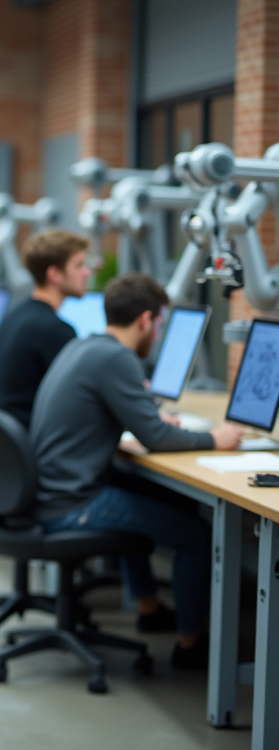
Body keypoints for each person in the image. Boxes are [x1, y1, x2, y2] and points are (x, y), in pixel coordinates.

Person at [30, 273, 244, 669]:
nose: (158, 334)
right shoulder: (116, 357)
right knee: (196, 535)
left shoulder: (86, 345)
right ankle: (189, 644)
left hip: (54, 489)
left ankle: (148, 608)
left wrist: (151, 419)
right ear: (145, 320)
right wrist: (216, 438)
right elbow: (156, 438)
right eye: (160, 324)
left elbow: (135, 422)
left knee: (150, 495)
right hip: (71, 503)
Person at [0, 229, 91, 427]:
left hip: (7, 444)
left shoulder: (15, 315)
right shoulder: (55, 330)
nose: (87, 272)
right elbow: (81, 401)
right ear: (54, 274)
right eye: (79, 265)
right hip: (34, 444)